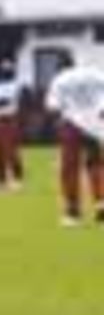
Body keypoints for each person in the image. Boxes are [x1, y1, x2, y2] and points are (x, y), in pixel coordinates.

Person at [45, 60, 104, 226]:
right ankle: (101, 207)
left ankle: (73, 211)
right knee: (96, 164)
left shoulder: (59, 80)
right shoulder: (93, 73)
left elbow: (52, 106)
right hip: (94, 123)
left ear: (60, 68)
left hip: (71, 125)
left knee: (70, 167)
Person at [0, 59, 24, 192]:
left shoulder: (16, 85)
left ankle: (17, 180)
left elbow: (7, 101)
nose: (5, 72)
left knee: (11, 150)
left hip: (9, 119)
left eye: (7, 70)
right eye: (3, 70)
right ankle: (0, 181)